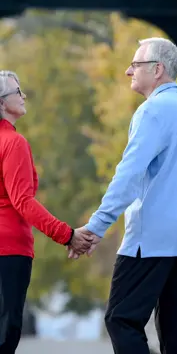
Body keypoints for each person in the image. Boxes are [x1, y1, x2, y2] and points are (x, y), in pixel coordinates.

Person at [69, 37, 177, 354]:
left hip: (152, 240)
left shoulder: (153, 112)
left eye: (135, 65)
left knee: (122, 319)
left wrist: (96, 226)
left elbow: (129, 175)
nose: (127, 71)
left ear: (157, 69)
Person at [0, 70, 93, 354]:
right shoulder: (13, 142)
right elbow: (23, 201)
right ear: (2, 102)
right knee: (5, 333)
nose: (23, 95)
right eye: (18, 91)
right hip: (7, 251)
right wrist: (67, 235)